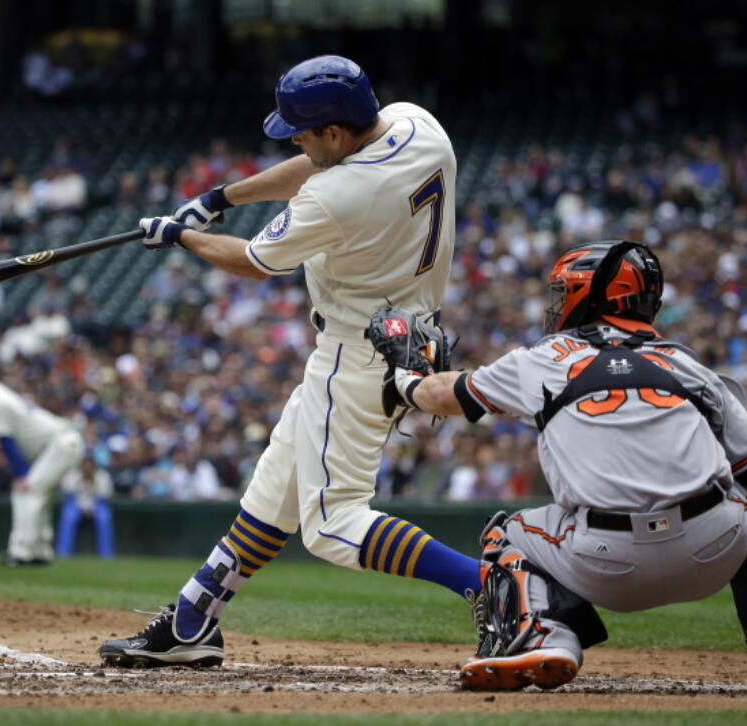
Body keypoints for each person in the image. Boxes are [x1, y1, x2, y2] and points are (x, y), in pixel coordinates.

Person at [100, 55, 487, 668]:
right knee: (275, 491)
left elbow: (254, 260)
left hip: (358, 352)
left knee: (334, 526)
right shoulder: (418, 124)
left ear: (335, 132)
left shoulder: (337, 196)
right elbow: (316, 165)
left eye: (304, 131)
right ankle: (192, 620)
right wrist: (219, 197)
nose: (297, 141)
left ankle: (493, 585)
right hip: (401, 335)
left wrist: (180, 236)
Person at [373, 240, 747, 693]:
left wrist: (404, 373)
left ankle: (548, 637)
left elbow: (440, 395)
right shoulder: (689, 366)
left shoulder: (544, 359)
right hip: (714, 549)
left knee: (508, 531)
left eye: (564, 291)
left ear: (592, 296)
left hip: (607, 561)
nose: (556, 302)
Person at [0, 364, 83, 567]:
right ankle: (39, 552)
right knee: (40, 497)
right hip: (60, 443)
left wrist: (21, 474)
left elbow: (6, 439)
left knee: (25, 492)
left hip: (59, 443)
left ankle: (20, 552)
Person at [56, 455, 116, 558]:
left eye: (90, 465)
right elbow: (67, 490)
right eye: (85, 465)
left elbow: (107, 494)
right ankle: (63, 552)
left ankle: (107, 554)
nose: (87, 467)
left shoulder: (102, 475)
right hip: (76, 504)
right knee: (68, 516)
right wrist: (80, 481)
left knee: (104, 517)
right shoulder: (73, 474)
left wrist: (94, 485)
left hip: (97, 504)